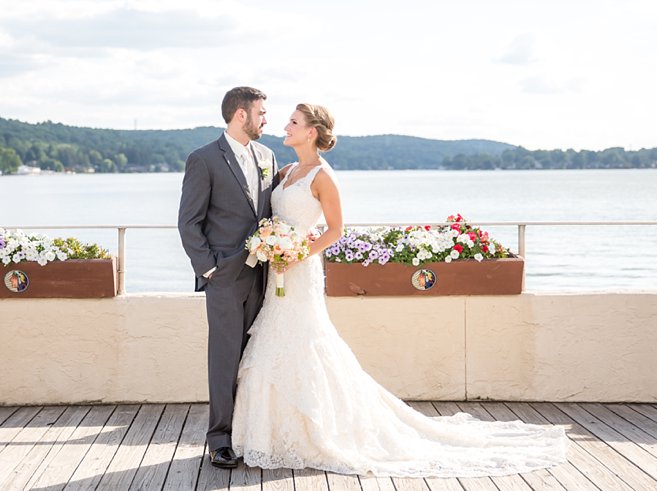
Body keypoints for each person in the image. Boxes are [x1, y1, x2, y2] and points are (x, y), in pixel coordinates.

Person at [231, 103, 568, 477]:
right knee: (274, 342)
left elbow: (335, 230)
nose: (285, 126)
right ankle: (270, 435)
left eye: (293, 122)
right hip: (279, 271)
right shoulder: (287, 170)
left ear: (311, 132)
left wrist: (296, 254)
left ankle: (319, 431)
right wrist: (272, 246)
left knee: (307, 340)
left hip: (299, 268)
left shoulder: (323, 177)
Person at [178, 86, 279, 469]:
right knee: (224, 358)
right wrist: (209, 269)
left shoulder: (268, 156)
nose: (266, 119)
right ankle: (219, 439)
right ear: (241, 115)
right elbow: (188, 222)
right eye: (262, 112)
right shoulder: (203, 159)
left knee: (256, 357)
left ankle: (250, 432)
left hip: (262, 275)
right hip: (224, 277)